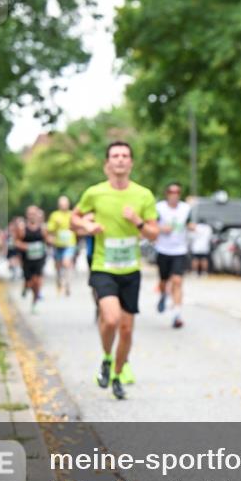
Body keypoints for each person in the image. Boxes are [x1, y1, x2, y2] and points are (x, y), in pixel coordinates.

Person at [72, 141, 159, 400]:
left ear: (131, 163)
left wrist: (137, 221)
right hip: (103, 267)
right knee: (111, 319)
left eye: (124, 156)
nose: (120, 160)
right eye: (115, 156)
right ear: (107, 164)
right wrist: (86, 227)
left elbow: (154, 234)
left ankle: (118, 374)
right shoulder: (94, 193)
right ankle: (107, 358)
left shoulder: (143, 195)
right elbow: (73, 219)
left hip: (130, 269)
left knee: (127, 329)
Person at [154, 182, 192, 329]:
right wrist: (162, 228)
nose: (174, 195)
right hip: (163, 249)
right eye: (171, 192)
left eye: (177, 192)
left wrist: (192, 227)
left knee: (177, 281)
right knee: (163, 281)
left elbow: (190, 223)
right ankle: (163, 294)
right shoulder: (159, 208)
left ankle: (177, 314)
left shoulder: (186, 208)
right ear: (167, 194)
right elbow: (151, 226)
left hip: (180, 250)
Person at [15, 206, 51, 314]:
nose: (32, 216)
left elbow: (47, 240)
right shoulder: (22, 228)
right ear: (27, 215)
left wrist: (51, 241)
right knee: (30, 282)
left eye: (34, 213)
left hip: (39, 258)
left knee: (37, 283)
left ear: (37, 214)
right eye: (30, 213)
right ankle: (26, 287)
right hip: (27, 260)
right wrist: (25, 246)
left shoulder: (43, 228)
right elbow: (16, 242)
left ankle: (34, 304)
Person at [47, 196, 77, 296]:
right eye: (61, 204)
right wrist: (51, 237)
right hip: (58, 244)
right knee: (58, 266)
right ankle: (59, 279)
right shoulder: (54, 215)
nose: (63, 206)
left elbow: (76, 228)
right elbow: (50, 230)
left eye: (65, 203)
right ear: (59, 205)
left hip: (70, 243)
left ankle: (67, 283)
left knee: (66, 262)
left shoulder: (72, 214)